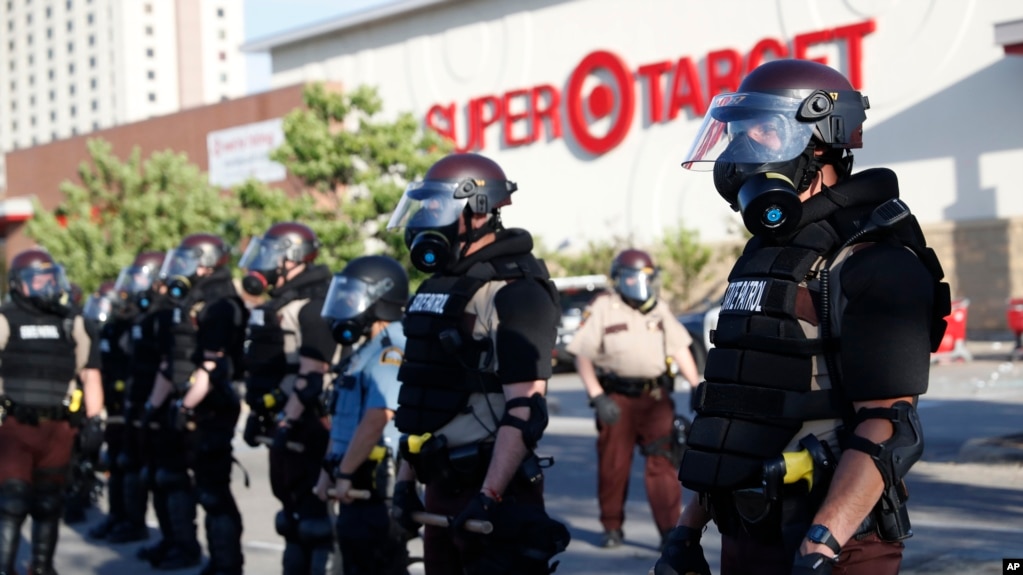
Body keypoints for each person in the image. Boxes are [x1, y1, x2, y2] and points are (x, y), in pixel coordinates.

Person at [653, 59, 951, 575]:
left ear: (819, 141)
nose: (741, 154)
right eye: (738, 136)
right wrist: (686, 529)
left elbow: (889, 426)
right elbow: (735, 404)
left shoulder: (875, 261)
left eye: (762, 133)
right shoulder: (765, 257)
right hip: (744, 534)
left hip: (834, 545)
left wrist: (821, 546)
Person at [386, 152, 570, 575]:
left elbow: (525, 411)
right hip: (439, 486)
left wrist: (489, 495)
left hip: (492, 494)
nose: (427, 220)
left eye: (438, 207)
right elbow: (420, 398)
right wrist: (403, 485)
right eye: (426, 207)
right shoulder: (437, 288)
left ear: (478, 209)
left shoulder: (517, 292)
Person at [567, 248, 701, 549]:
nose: (644, 282)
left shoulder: (657, 308)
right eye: (639, 276)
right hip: (616, 398)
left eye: (648, 276)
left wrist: (695, 385)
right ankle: (612, 527)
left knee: (663, 463)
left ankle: (670, 531)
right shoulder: (604, 306)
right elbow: (582, 356)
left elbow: (679, 348)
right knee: (614, 465)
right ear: (622, 278)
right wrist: (597, 396)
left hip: (655, 398)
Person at [237, 222, 338, 575]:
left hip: (309, 424)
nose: (262, 265)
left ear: (294, 258)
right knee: (291, 518)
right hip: (285, 421)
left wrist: (286, 422)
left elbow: (312, 377)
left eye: (271, 256)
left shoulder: (314, 305)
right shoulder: (283, 303)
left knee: (314, 521)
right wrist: (260, 414)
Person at [145, 233, 248, 574]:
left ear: (206, 263)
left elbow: (210, 367)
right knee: (171, 478)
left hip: (211, 408)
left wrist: (184, 407)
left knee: (212, 491)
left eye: (189, 259)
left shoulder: (221, 303)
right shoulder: (186, 301)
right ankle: (182, 546)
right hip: (182, 403)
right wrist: (154, 407)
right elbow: (170, 361)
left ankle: (226, 564)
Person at [0, 248, 104, 575]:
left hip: (59, 427)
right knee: (13, 501)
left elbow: (90, 374)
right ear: (19, 284)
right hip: (15, 426)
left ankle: (41, 567)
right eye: (37, 279)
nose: (47, 285)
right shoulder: (5, 319)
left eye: (50, 277)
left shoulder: (73, 322)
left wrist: (95, 421)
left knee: (48, 504)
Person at [313, 255, 410, 575]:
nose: (345, 305)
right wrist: (330, 470)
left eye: (351, 297)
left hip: (374, 485)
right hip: (352, 481)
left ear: (378, 300)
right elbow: (343, 420)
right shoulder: (364, 350)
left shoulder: (391, 347)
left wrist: (343, 474)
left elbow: (377, 418)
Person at [111, 251, 168, 550]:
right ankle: (129, 521)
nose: (136, 285)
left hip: (155, 401)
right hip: (135, 396)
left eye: (142, 277)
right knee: (127, 461)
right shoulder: (139, 316)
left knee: (159, 474)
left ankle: (174, 541)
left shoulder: (164, 314)